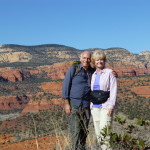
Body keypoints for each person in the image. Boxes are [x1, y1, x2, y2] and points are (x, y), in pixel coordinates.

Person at [62, 51, 94, 150]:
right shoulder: (73, 69)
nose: (86, 60)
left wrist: (113, 73)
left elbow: (103, 71)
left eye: (88, 58)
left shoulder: (92, 71)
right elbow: (65, 87)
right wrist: (67, 104)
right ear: (80, 59)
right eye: (84, 58)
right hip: (75, 104)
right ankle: (74, 148)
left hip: (86, 105)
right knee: (75, 130)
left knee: (84, 130)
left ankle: (82, 148)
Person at [90, 50, 117, 150]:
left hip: (106, 106)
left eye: (101, 59)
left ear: (104, 60)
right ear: (94, 61)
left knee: (104, 132)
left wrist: (111, 106)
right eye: (97, 60)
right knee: (98, 134)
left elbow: (113, 90)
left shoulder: (110, 73)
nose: (99, 62)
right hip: (95, 107)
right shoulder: (93, 75)